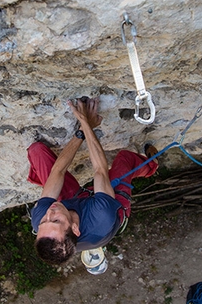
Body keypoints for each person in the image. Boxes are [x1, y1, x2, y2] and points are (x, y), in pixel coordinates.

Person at [27, 96, 159, 273]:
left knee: (37, 152)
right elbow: (100, 170)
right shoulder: (101, 218)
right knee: (124, 160)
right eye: (56, 220)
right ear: (74, 228)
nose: (49, 212)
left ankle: (43, 183)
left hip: (73, 203)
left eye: (44, 221)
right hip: (113, 205)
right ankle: (151, 166)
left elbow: (57, 172)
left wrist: (81, 132)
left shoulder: (43, 222)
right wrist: (85, 121)